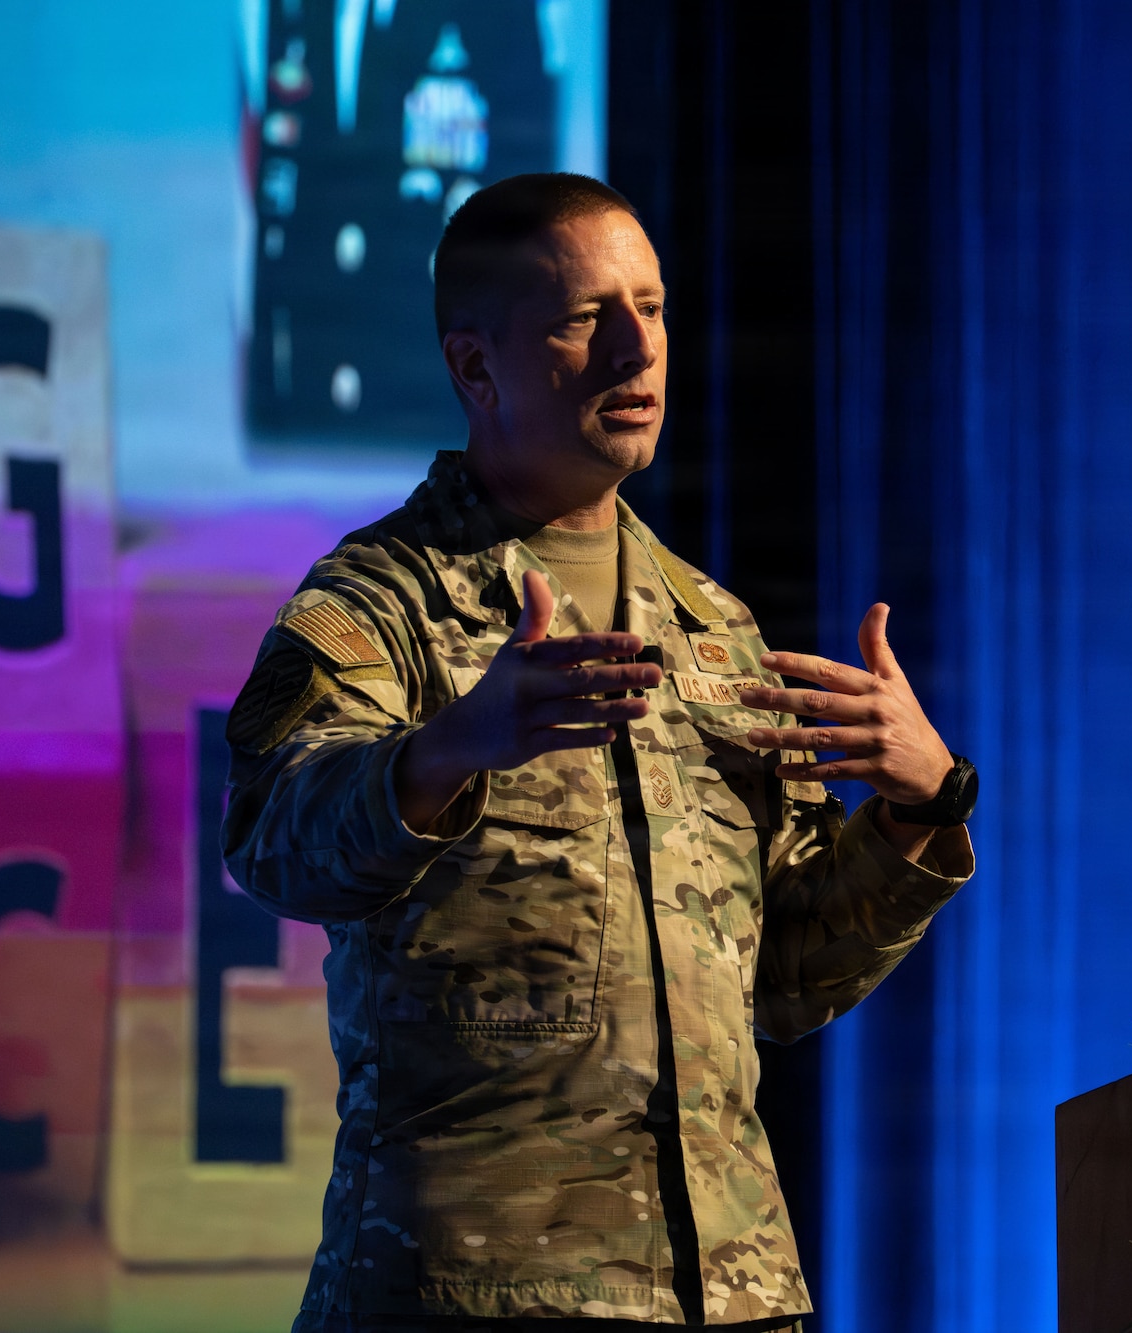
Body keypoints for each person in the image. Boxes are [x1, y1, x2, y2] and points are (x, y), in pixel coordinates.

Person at [222, 173, 978, 1333]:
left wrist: (922, 807)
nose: (638, 348)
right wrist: (449, 748)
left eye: (654, 307)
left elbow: (785, 976)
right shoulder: (380, 603)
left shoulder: (711, 630)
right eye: (586, 319)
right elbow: (274, 842)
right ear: (475, 368)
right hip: (475, 1293)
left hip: (728, 1293)